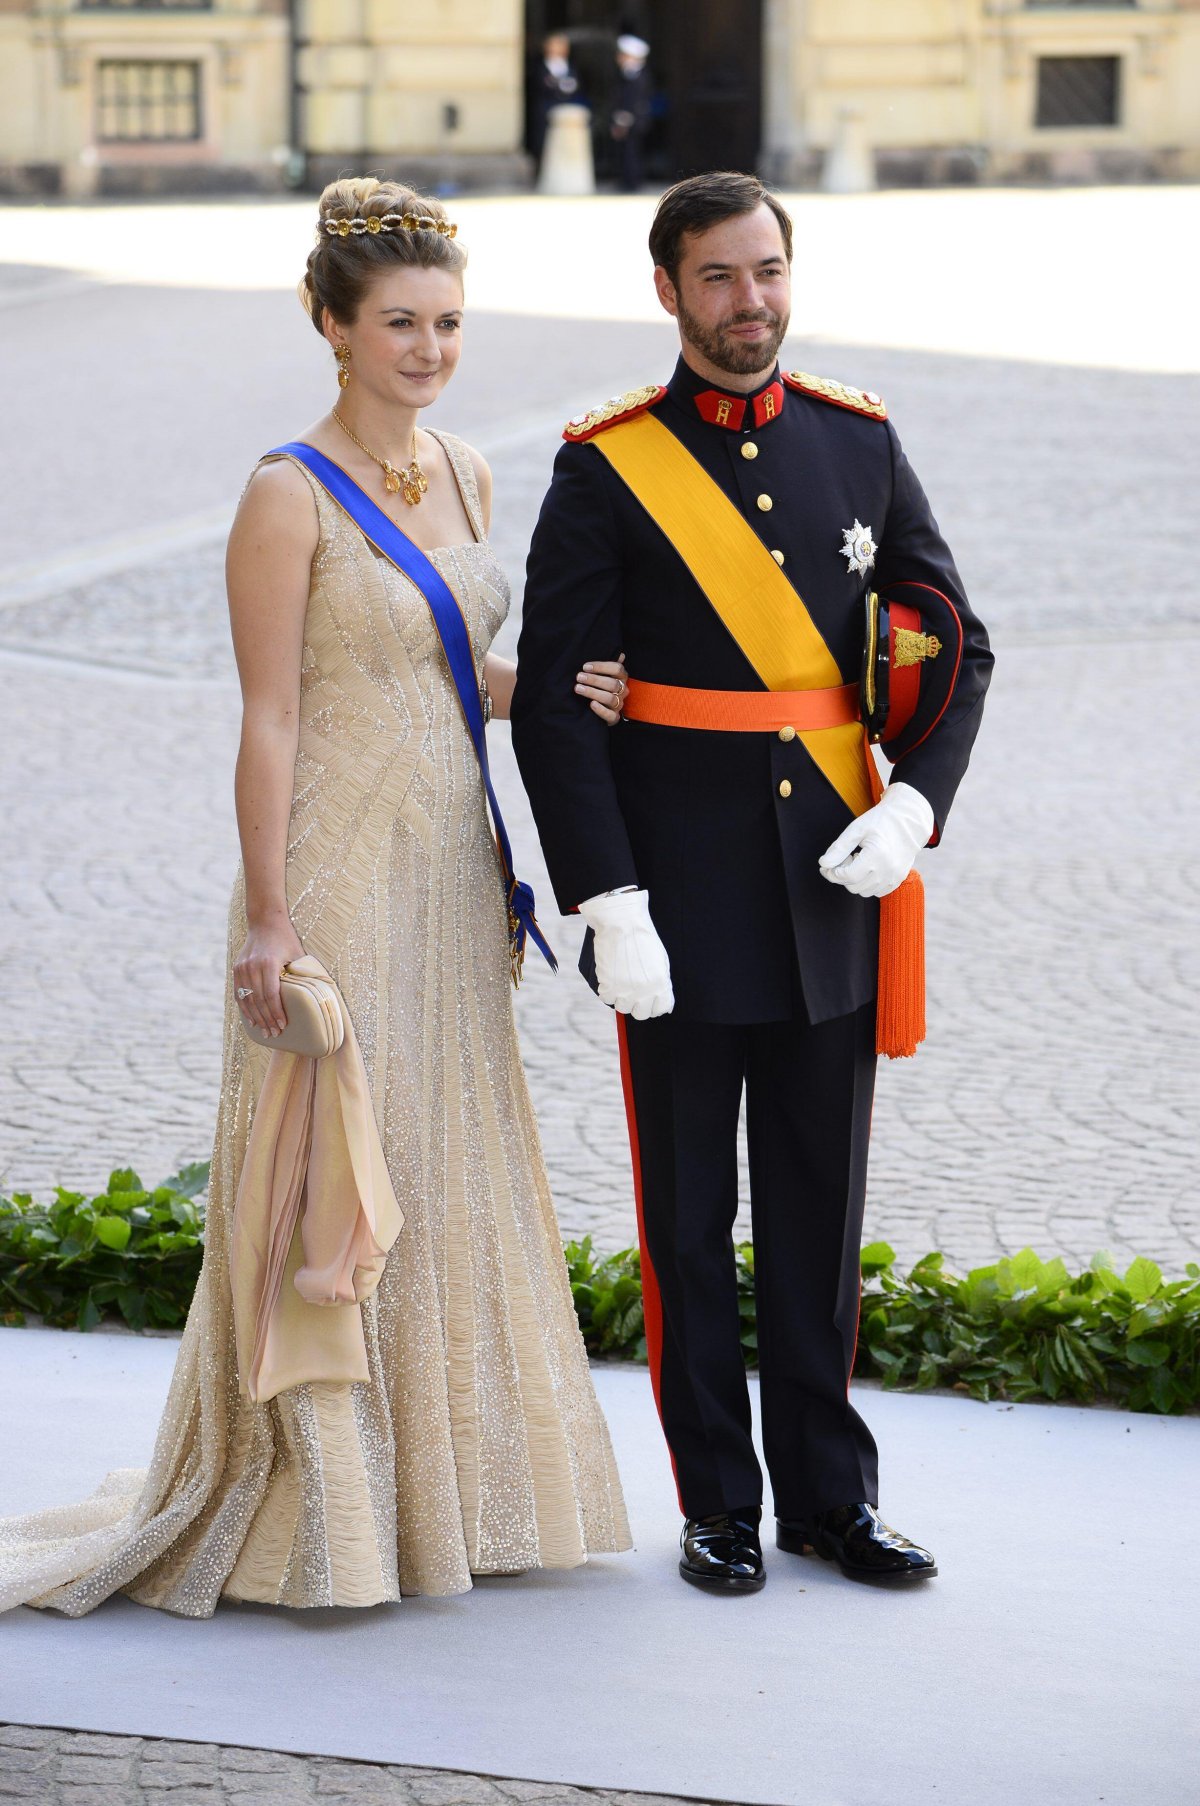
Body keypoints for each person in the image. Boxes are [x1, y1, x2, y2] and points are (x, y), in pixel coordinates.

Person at [0, 177, 633, 1618]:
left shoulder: (471, 472)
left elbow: (450, 667)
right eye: (400, 323)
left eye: (450, 323)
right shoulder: (283, 494)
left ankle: (452, 1499)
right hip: (338, 866)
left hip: (454, 868)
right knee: (336, 1163)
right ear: (333, 327)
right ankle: (322, 1506)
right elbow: (274, 715)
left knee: (447, 1154)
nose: (428, 348)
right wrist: (274, 919)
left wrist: (557, 690)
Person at [511, 171, 993, 1594]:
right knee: (683, 1220)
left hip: (834, 887)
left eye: (768, 270)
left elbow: (960, 645)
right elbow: (553, 703)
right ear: (668, 291)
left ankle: (833, 1502)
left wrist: (915, 804)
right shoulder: (606, 465)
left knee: (818, 1213)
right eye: (719, 278)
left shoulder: (862, 441)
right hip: (676, 901)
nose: (751, 303)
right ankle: (718, 1499)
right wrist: (607, 899)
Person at [530, 32, 585, 170]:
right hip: (546, 111)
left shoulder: (570, 67)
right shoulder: (540, 67)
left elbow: (575, 86)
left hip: (565, 112)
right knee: (544, 144)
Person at [609, 35, 653, 193]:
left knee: (632, 151)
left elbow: (633, 101)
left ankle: (633, 181)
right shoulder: (627, 74)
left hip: (633, 120)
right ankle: (627, 180)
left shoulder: (637, 75)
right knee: (626, 151)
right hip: (627, 119)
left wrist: (622, 121)